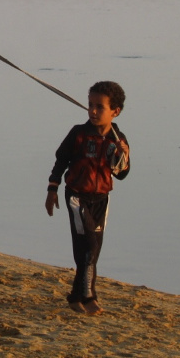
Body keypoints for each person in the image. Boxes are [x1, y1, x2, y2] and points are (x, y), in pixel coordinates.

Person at [44, 81, 130, 315]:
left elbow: (121, 174)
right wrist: (52, 189)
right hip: (77, 196)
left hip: (101, 199)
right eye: (90, 105)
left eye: (99, 107)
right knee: (88, 245)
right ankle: (89, 296)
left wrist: (123, 157)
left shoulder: (117, 139)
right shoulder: (78, 134)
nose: (92, 110)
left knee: (93, 250)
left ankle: (75, 297)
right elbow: (61, 161)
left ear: (115, 111)